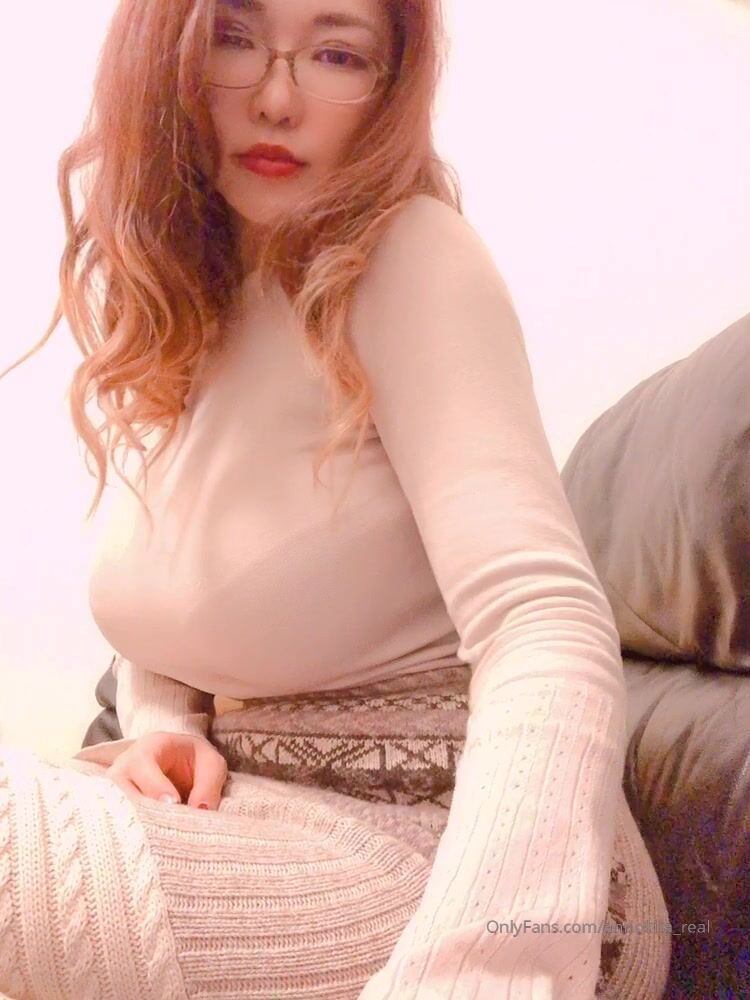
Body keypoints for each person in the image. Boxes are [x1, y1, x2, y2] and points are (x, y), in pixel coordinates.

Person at [0, 0, 671, 997]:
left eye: (337, 53)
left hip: (460, 864)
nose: (277, 99)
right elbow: (172, 603)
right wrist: (165, 721)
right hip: (260, 816)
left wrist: (493, 964)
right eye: (233, 38)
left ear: (390, 84)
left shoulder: (410, 251)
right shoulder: (196, 310)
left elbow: (544, 616)